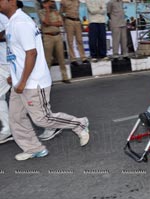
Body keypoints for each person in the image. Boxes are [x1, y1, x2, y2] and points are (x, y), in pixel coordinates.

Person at [0, 0, 90, 161]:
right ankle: (34, 148)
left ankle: (79, 123)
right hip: (19, 81)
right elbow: (17, 53)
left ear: (12, 2)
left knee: (42, 118)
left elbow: (31, 53)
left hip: (33, 82)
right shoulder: (12, 22)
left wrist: (21, 82)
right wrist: (13, 76)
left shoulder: (21, 22)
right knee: (15, 117)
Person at [39, 0, 71, 84]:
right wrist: (47, 10)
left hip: (57, 36)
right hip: (48, 37)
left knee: (61, 58)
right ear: (45, 3)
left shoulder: (56, 12)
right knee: (48, 59)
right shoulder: (41, 12)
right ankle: (46, 79)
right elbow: (45, 22)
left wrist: (51, 23)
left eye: (53, 2)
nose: (52, 3)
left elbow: (60, 23)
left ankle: (65, 77)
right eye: (51, 2)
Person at [60, 0, 89, 66]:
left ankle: (83, 58)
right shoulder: (64, 1)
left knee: (80, 40)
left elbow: (78, 11)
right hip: (69, 20)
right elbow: (61, 12)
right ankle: (73, 59)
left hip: (77, 21)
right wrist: (64, 21)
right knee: (70, 41)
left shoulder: (77, 1)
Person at [0, 13, 13, 144]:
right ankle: (7, 129)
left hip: (8, 63)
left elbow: (6, 35)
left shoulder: (2, 18)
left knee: (26, 94)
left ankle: (48, 123)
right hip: (2, 63)